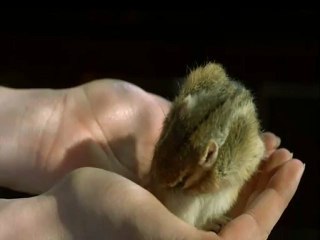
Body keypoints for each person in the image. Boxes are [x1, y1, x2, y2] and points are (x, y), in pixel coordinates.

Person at [0, 79, 305, 240]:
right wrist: (52, 224)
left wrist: (52, 129)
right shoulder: (182, 123)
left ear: (210, 154)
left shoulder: (229, 155)